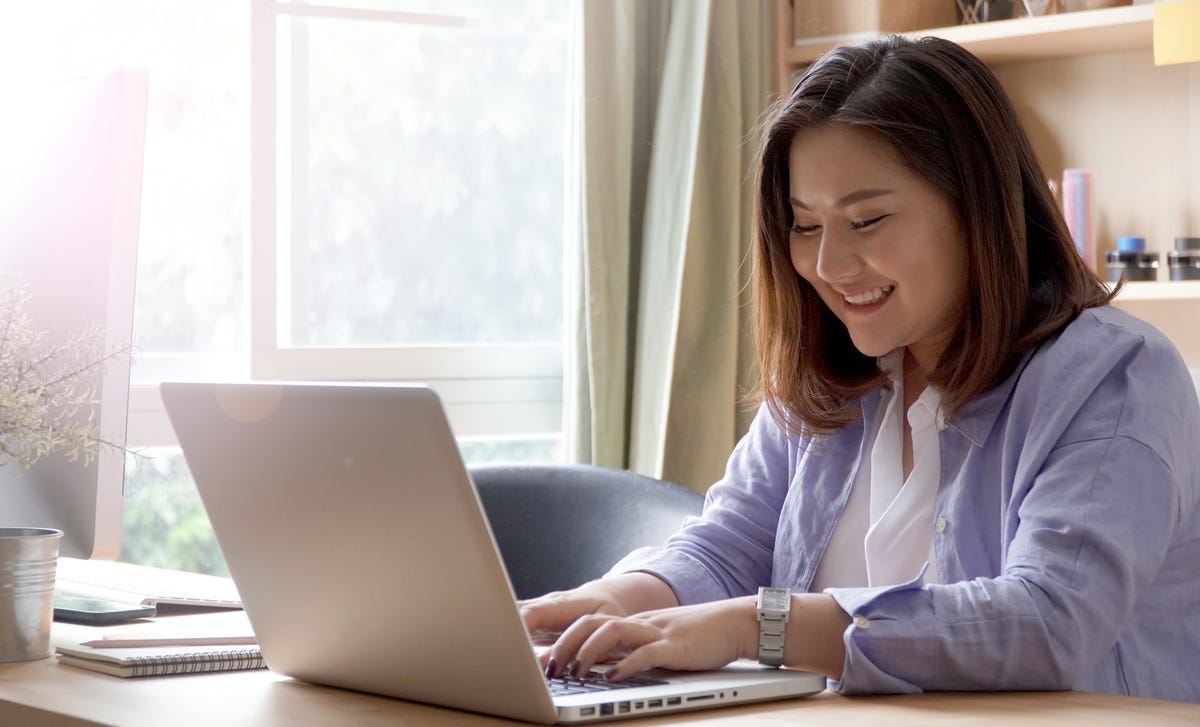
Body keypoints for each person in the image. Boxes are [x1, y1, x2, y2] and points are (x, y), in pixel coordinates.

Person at [520, 35, 1200, 703]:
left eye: (867, 220)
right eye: (806, 225)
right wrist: (602, 604)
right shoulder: (834, 373)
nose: (827, 266)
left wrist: (754, 624)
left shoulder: (1118, 378)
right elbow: (725, 547)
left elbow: (1047, 620)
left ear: (977, 209)